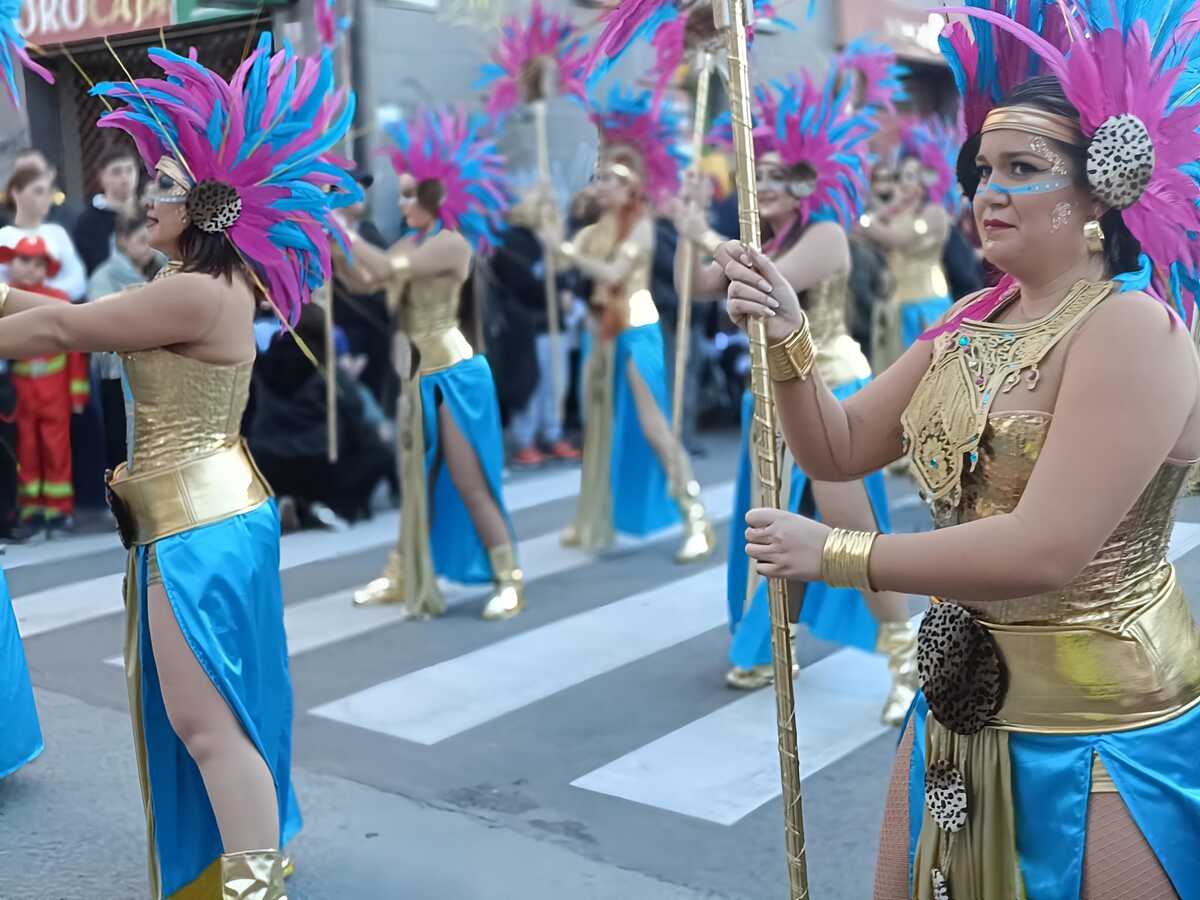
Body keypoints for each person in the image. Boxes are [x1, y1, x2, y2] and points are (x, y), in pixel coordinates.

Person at [721, 0, 1200, 894]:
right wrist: (788, 342)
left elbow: (1045, 549)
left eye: (1023, 168)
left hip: (1099, 724)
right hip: (963, 701)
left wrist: (837, 554)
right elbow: (838, 447)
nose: (988, 192)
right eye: (983, 169)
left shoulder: (1135, 330)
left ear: (1098, 193)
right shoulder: (971, 322)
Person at [0, 35, 357, 897]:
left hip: (197, 528)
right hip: (198, 518)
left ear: (206, 204)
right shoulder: (195, 284)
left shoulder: (191, 292)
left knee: (205, 724)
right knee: (213, 715)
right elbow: (53, 307)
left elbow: (54, 332)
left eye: (162, 183)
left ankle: (252, 889)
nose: (147, 195)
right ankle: (248, 867)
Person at [674, 66, 916, 721]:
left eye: (782, 175)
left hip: (830, 392)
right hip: (769, 398)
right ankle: (769, 643)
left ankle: (906, 656)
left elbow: (766, 283)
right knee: (773, 531)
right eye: (764, 172)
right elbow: (696, 286)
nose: (769, 184)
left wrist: (701, 231)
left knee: (851, 531)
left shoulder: (828, 236)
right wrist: (688, 223)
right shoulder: (765, 237)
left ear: (811, 183)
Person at [336, 108, 526, 621]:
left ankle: (508, 576)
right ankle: (402, 572)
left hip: (455, 376)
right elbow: (364, 282)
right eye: (398, 194)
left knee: (469, 479)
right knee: (414, 479)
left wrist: (338, 228)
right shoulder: (411, 241)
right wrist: (327, 244)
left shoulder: (450, 244)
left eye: (408, 193)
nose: (401, 203)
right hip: (417, 376)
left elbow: (389, 268)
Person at [544, 86, 716, 564]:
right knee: (597, 425)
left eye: (614, 179)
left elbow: (614, 273)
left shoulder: (639, 227)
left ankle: (695, 517)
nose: (603, 185)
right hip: (601, 333)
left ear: (634, 186)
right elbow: (564, 265)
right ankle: (591, 519)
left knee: (656, 427)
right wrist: (548, 231)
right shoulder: (594, 228)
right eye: (600, 177)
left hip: (638, 333)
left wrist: (568, 253)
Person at [246, 304, 394, 526]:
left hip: (267, 461)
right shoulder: (327, 373)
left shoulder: (260, 367)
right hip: (319, 463)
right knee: (378, 453)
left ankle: (288, 503)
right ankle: (334, 508)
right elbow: (355, 416)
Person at [0, 237, 88, 538]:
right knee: (25, 451)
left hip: (54, 389)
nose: (28, 268)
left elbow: (76, 349)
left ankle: (59, 509)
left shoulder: (57, 298)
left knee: (56, 448)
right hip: (21, 389)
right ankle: (30, 508)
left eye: (35, 262)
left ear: (46, 268)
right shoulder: (9, 301)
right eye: (22, 260)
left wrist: (77, 393)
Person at [862, 119, 956, 373]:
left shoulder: (934, 212)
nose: (904, 183)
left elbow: (900, 239)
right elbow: (862, 232)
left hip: (927, 308)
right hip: (896, 309)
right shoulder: (894, 213)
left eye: (912, 176)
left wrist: (869, 220)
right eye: (901, 176)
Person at [495, 188, 577, 466]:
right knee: (531, 384)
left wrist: (562, 283)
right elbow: (523, 284)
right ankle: (525, 439)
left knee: (557, 382)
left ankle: (553, 432)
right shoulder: (514, 241)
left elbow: (569, 274)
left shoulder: (553, 241)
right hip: (529, 324)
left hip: (555, 324)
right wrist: (553, 283)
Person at [87, 212, 165, 471]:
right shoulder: (103, 277)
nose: (149, 246)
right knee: (122, 448)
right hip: (117, 375)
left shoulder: (166, 270)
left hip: (159, 375)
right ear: (122, 240)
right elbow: (102, 323)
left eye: (150, 238)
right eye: (142, 240)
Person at [0, 163, 87, 301]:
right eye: (38, 191)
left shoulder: (57, 233)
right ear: (15, 193)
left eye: (49, 193)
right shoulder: (3, 236)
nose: (47, 198)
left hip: (57, 311)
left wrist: (45, 294)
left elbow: (77, 280)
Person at [73, 145, 140, 274]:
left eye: (130, 170)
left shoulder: (150, 210)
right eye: (117, 172)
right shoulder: (88, 222)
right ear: (102, 176)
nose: (125, 178)